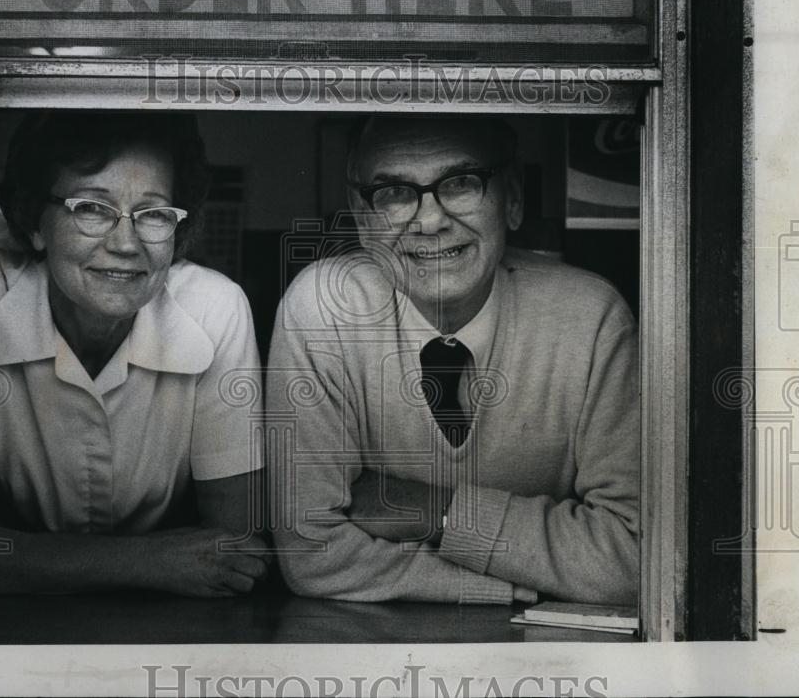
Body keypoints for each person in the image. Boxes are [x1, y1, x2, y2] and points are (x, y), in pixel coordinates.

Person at [267, 115, 639, 605]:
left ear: (513, 199)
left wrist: (439, 511)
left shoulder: (590, 318)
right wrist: (529, 584)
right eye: (395, 193)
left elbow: (632, 557)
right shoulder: (323, 308)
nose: (429, 220)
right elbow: (314, 554)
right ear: (362, 218)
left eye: (461, 183)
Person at [0, 112, 269, 598]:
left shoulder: (214, 307)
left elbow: (236, 549)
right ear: (33, 221)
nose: (126, 244)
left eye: (154, 214)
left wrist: (30, 561)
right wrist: (146, 562)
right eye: (92, 208)